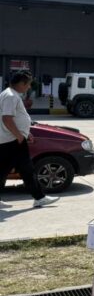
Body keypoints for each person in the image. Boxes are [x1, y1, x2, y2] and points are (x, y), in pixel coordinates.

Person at [0, 70, 58, 209]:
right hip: (12, 140)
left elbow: (13, 118)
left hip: (10, 139)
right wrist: (20, 136)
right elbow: (7, 118)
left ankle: (39, 197)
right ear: (21, 83)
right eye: (28, 84)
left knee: (15, 169)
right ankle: (39, 198)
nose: (29, 87)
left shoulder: (8, 93)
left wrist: (26, 133)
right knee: (24, 169)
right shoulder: (11, 96)